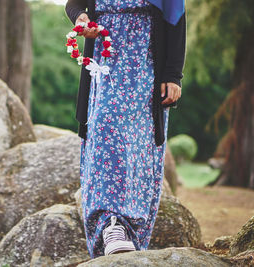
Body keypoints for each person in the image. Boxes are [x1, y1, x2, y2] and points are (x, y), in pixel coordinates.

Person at [65, 0, 186, 259]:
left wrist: (174, 74)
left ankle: (133, 234)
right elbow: (74, 3)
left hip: (147, 63)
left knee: (141, 148)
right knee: (104, 130)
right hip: (106, 62)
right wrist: (81, 18)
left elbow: (176, 16)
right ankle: (111, 225)